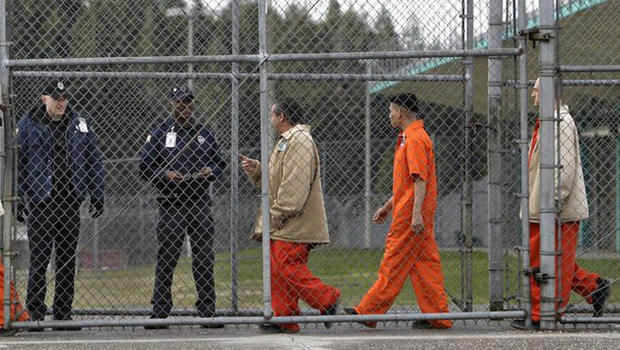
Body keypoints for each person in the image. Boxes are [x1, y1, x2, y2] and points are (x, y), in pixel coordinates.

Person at [344, 93, 452, 329]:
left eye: (391, 110)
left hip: (410, 215)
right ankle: (438, 316)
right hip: (410, 210)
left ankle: (368, 311)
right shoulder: (409, 137)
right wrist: (388, 205)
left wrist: (415, 214)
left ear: (401, 112)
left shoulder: (413, 138)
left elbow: (419, 180)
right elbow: (408, 183)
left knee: (393, 262)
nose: (389, 114)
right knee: (425, 264)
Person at [511, 78, 610, 330]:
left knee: (548, 261)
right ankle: (594, 287)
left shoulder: (561, 123)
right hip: (545, 207)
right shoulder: (549, 122)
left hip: (554, 210)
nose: (532, 95)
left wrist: (551, 204)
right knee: (554, 259)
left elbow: (562, 170)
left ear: (546, 94)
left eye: (535, 91)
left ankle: (542, 313)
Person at [240, 98, 341, 334]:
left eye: (272, 114)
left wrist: (279, 211)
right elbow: (277, 177)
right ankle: (284, 316)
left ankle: (328, 299)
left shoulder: (299, 140)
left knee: (287, 265)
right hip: (285, 220)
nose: (270, 118)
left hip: (294, 220)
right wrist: (257, 168)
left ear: (281, 117)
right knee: (278, 268)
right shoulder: (286, 141)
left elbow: (295, 182)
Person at [17, 81, 105, 330]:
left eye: (65, 97)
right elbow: (18, 163)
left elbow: (93, 159)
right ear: (44, 98)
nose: (61, 102)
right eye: (56, 98)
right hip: (42, 202)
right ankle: (35, 312)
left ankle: (63, 313)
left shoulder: (79, 124)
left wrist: (97, 194)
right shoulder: (28, 125)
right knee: (40, 259)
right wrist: (19, 198)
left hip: (69, 201)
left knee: (66, 260)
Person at [139, 85, 226, 329]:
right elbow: (144, 168)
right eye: (180, 102)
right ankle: (160, 312)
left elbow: (220, 162)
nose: (185, 107)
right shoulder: (158, 133)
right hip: (171, 205)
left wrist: (211, 171)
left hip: (199, 204)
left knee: (204, 258)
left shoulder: (204, 132)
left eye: (189, 102)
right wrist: (164, 175)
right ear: (172, 104)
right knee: (167, 258)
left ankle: (208, 312)